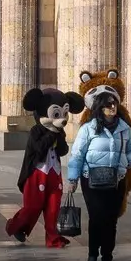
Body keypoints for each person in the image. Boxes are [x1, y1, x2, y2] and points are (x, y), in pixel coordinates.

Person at [67, 89, 131, 261]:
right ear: (100, 108)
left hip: (117, 180)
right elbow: (77, 154)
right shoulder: (88, 129)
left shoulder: (124, 129)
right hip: (91, 180)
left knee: (111, 220)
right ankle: (93, 255)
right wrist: (72, 178)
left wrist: (127, 162)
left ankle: (107, 258)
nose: (113, 107)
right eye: (108, 104)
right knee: (96, 218)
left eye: (114, 103)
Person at [9, 89, 84, 247]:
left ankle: (53, 239)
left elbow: (63, 151)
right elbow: (39, 148)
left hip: (54, 173)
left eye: (64, 114)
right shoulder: (36, 131)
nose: (62, 120)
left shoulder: (59, 132)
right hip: (36, 174)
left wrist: (59, 137)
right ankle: (15, 226)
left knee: (53, 208)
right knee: (32, 207)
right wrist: (52, 134)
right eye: (57, 114)